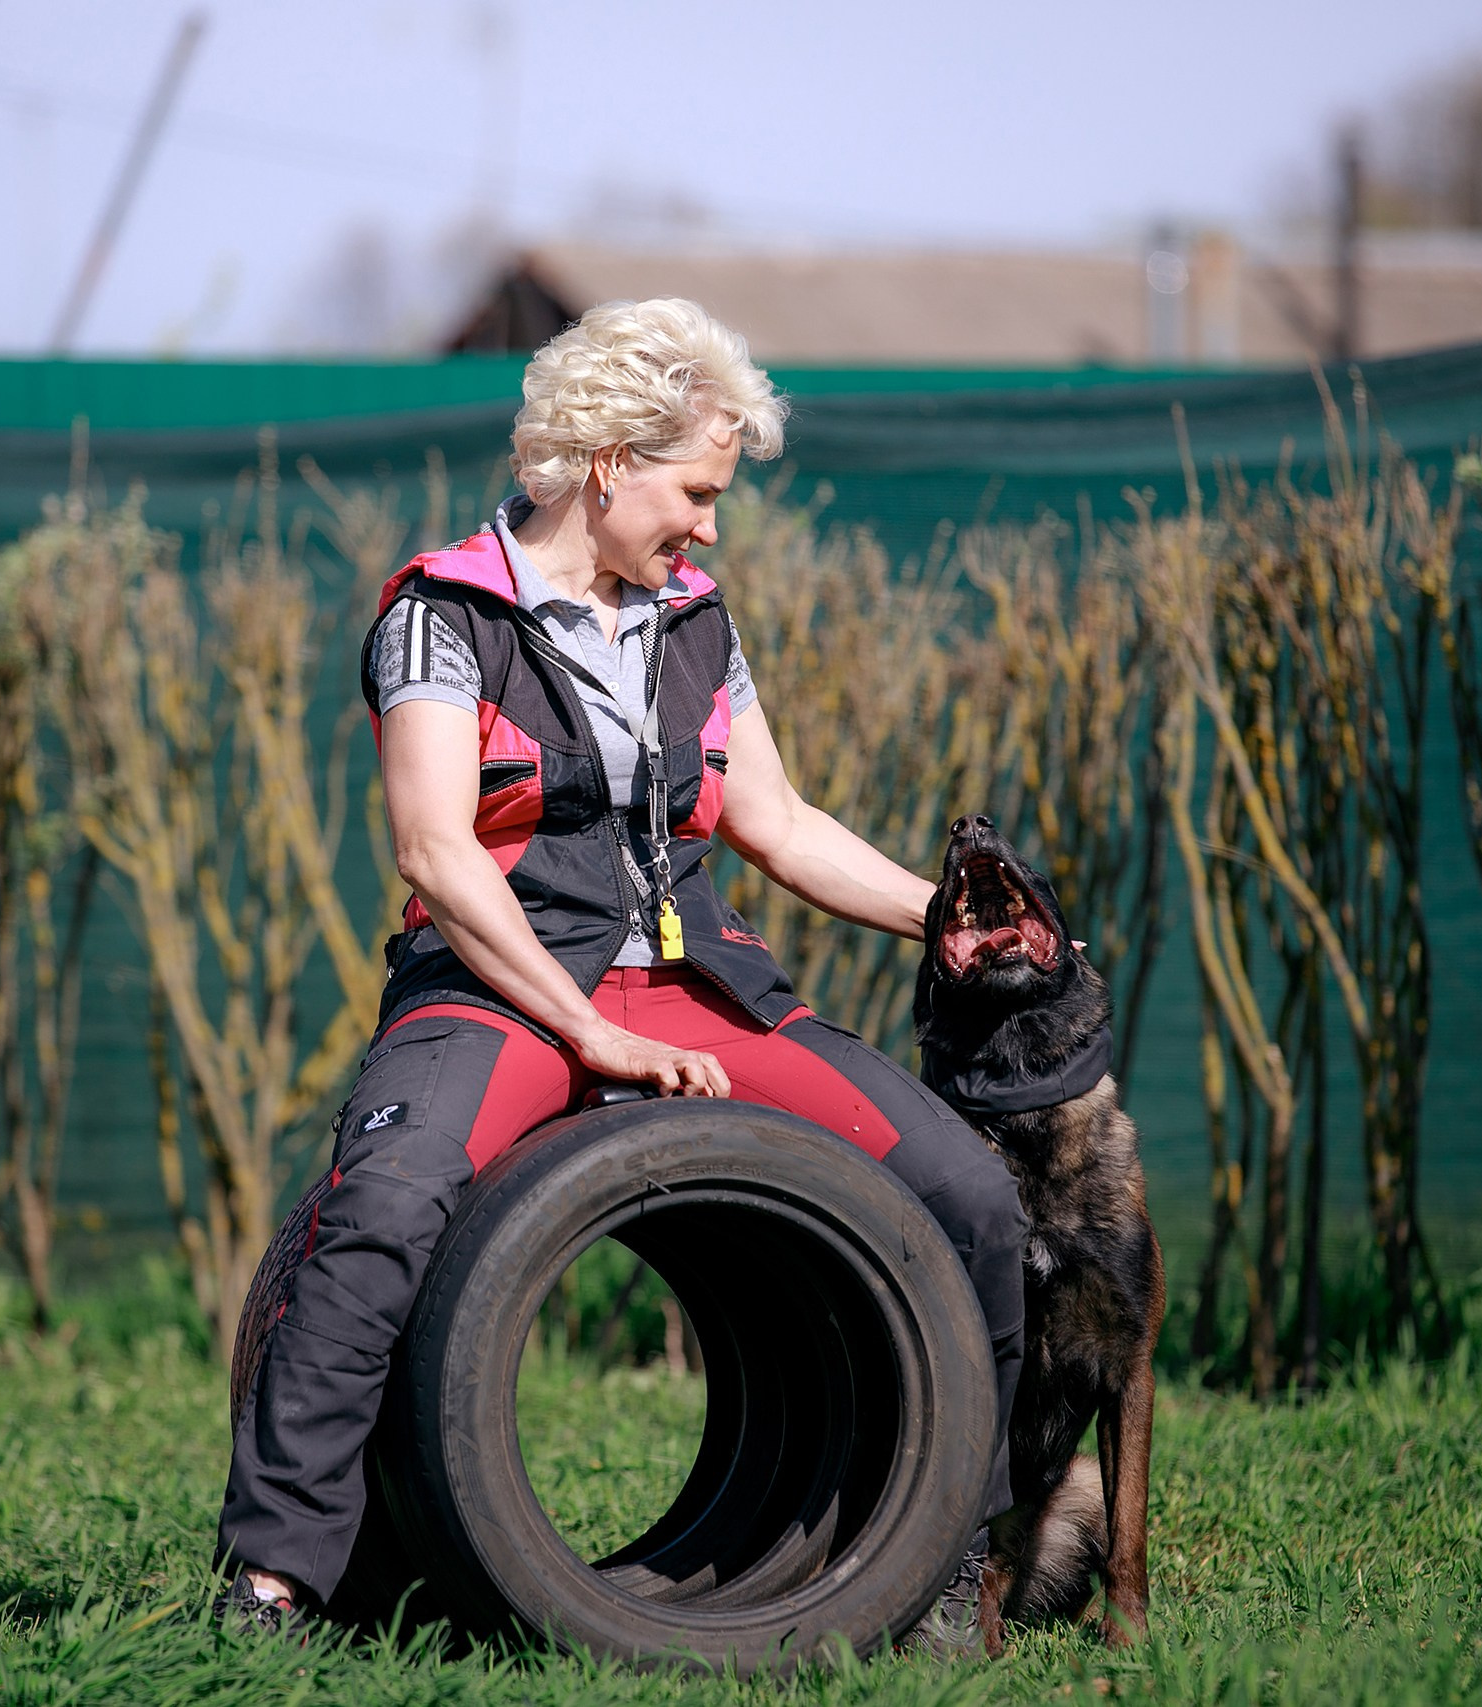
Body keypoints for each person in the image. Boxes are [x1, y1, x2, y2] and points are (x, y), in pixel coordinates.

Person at [218, 298, 1026, 1647]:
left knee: (971, 1199)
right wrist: (584, 1027)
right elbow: (436, 849)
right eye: (698, 492)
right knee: (384, 1209)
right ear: (607, 465)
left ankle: (945, 1561)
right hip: (500, 983)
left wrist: (937, 916)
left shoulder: (699, 619)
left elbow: (774, 824)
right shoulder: (443, 616)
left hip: (698, 980)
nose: (709, 527)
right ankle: (273, 1585)